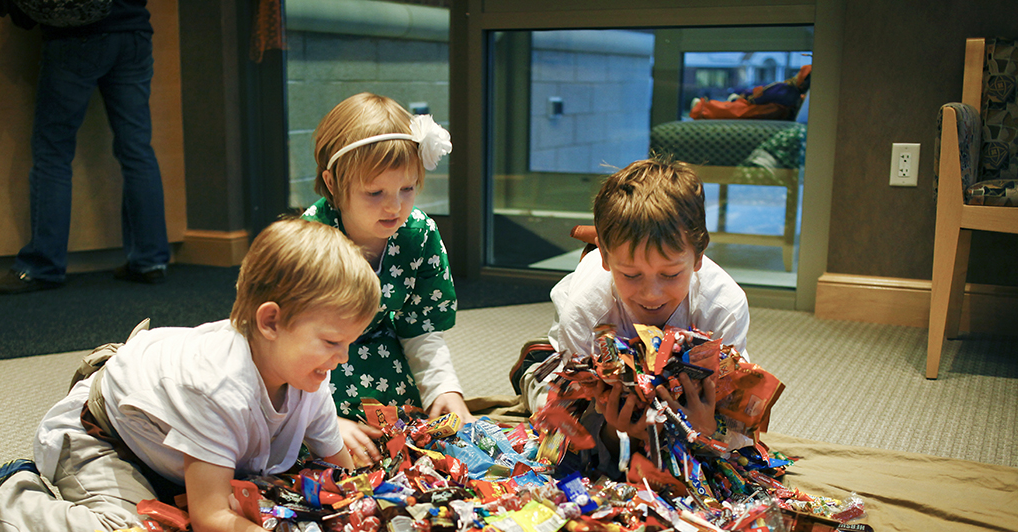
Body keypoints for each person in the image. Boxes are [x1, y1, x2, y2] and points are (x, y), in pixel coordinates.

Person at [0, 220, 380, 532]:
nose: (341, 359)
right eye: (331, 342)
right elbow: (212, 520)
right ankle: (1, 503)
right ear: (271, 322)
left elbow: (342, 474)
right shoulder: (220, 388)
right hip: (99, 436)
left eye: (349, 344)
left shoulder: (310, 377)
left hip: (158, 435)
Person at [520, 158, 750, 465]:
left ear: (697, 258)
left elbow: (738, 417)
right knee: (550, 414)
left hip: (681, 392)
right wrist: (613, 433)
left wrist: (708, 429)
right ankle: (531, 365)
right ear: (604, 257)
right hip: (582, 371)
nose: (650, 294)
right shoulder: (585, 310)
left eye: (669, 275)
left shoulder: (722, 306)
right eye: (631, 275)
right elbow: (574, 409)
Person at [302, 93, 472, 467]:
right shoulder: (311, 241)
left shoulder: (419, 234)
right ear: (332, 183)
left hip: (384, 362)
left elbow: (421, 328)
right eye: (375, 192)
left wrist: (444, 388)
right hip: (312, 372)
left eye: (407, 189)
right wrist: (322, 423)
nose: (394, 206)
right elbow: (287, 350)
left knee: (414, 447)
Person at [0, 0, 172, 294]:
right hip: (134, 32)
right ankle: (150, 261)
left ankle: (43, 265)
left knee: (53, 153)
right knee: (136, 148)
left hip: (76, 35)